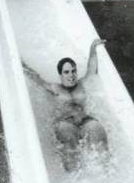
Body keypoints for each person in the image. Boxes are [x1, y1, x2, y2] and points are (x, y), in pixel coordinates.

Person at [24, 38, 108, 171]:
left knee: (98, 134)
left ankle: (106, 175)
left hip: (86, 120)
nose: (71, 75)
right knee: (69, 146)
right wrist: (20, 63)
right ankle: (76, 180)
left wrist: (93, 48)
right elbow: (35, 77)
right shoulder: (54, 88)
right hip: (66, 122)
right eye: (67, 72)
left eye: (74, 71)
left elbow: (92, 69)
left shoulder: (82, 84)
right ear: (60, 75)